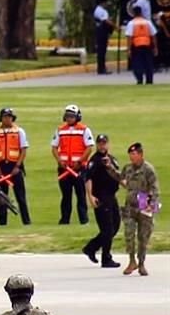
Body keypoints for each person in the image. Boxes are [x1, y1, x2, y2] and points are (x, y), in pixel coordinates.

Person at [119, 142, 160, 276]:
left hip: (144, 206)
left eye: (134, 154)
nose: (131, 157)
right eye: (130, 154)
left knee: (143, 237)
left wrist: (151, 203)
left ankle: (141, 262)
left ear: (141, 155)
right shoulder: (128, 168)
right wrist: (110, 169)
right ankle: (131, 261)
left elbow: (154, 188)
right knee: (129, 234)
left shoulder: (148, 170)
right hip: (130, 206)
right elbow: (122, 179)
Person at [0, 108, 32, 226]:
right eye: (5, 116)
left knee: (20, 196)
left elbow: (23, 150)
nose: (7, 119)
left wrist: (18, 166)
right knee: (1, 196)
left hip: (14, 166)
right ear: (0, 118)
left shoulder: (19, 131)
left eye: (9, 116)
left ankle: (26, 221)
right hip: (1, 167)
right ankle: (2, 221)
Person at [83, 134, 122, 269]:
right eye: (99, 143)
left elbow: (118, 174)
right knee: (107, 228)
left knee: (115, 225)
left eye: (104, 143)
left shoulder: (111, 159)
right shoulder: (94, 161)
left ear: (108, 144)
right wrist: (90, 196)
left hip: (112, 196)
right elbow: (88, 179)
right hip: (101, 197)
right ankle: (106, 258)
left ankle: (91, 247)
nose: (102, 145)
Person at [50, 105, 93, 225]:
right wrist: (59, 161)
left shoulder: (84, 130)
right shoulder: (60, 130)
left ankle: (83, 220)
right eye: (67, 116)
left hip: (79, 168)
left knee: (80, 195)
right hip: (64, 169)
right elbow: (54, 147)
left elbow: (89, 148)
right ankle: (64, 219)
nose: (69, 118)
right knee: (65, 196)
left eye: (72, 116)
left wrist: (80, 162)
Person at [125, 5, 158, 85]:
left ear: (133, 13)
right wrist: (155, 47)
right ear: (141, 12)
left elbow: (129, 37)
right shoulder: (147, 22)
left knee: (137, 63)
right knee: (148, 63)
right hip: (147, 45)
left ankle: (139, 79)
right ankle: (149, 80)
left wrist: (129, 49)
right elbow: (153, 35)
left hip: (136, 46)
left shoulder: (131, 23)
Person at [92, 0, 114, 75]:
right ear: (102, 2)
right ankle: (101, 68)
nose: (107, 3)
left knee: (103, 51)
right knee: (101, 51)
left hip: (103, 31)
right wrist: (115, 26)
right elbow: (105, 21)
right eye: (105, 2)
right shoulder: (99, 10)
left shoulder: (102, 10)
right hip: (101, 32)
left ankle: (102, 67)